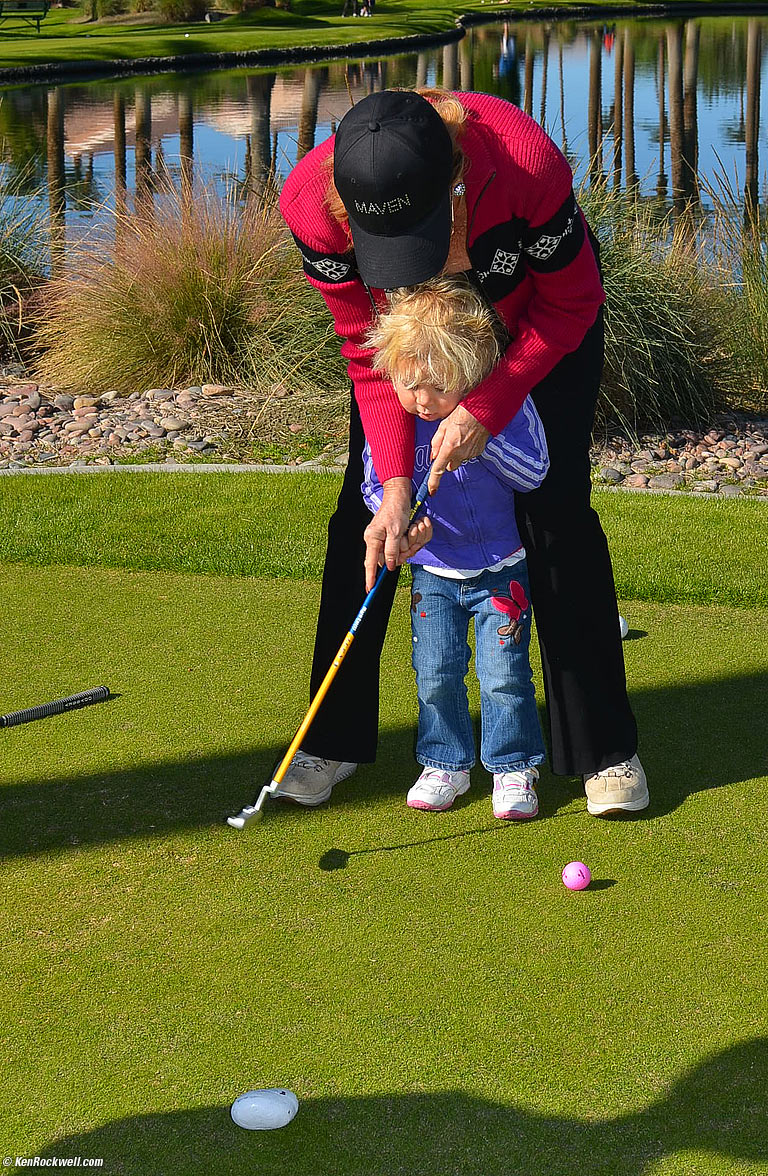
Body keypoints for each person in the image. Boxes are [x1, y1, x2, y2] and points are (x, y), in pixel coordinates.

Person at [277, 87, 649, 818]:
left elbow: (572, 303)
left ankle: (605, 748)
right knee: (366, 525)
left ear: (454, 180)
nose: (416, 265)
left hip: (539, 323)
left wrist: (490, 403)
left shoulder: (524, 162)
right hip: (414, 348)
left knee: (556, 510)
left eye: (423, 237)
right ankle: (330, 740)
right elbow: (364, 352)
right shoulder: (310, 207)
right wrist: (391, 483)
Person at [363, 275, 549, 818]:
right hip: (435, 574)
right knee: (436, 671)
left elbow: (535, 471)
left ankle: (514, 767)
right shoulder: (398, 423)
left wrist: (482, 441)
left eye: (438, 386)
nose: (421, 401)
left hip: (500, 570)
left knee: (504, 676)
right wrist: (407, 530)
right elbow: (377, 487)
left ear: (473, 374)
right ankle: (445, 761)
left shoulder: (504, 408)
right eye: (408, 384)